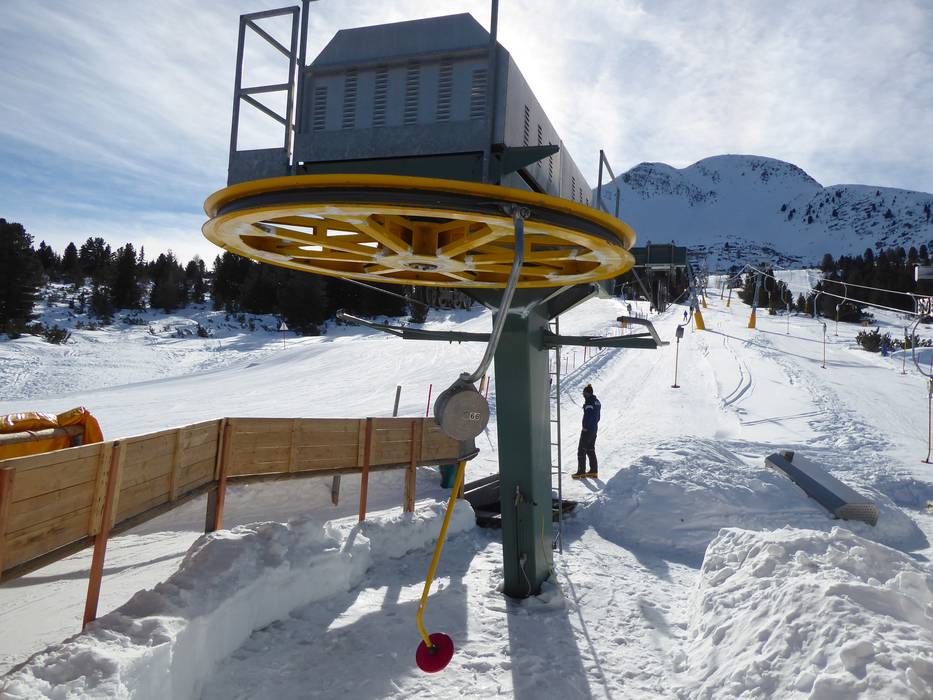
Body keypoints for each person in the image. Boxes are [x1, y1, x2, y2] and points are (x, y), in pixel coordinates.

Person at [572, 384, 601, 479]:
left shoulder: (589, 402)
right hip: (594, 429)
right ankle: (593, 471)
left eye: (584, 393)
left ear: (588, 393)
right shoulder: (597, 402)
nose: (583, 395)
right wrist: (594, 425)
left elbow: (587, 416)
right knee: (590, 449)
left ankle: (581, 472)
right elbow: (598, 417)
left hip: (587, 430)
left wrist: (585, 426)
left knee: (581, 450)